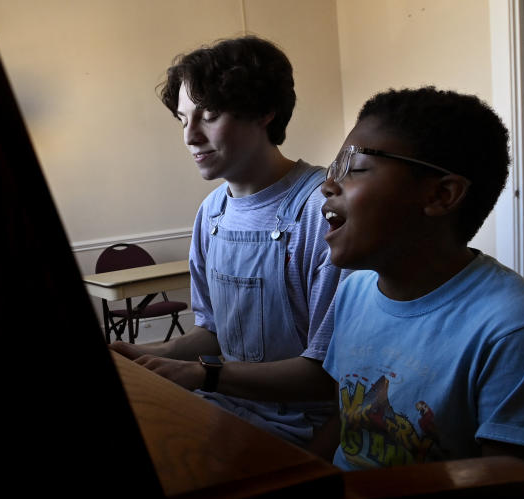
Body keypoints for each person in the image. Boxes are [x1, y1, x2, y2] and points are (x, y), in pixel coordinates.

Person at [320, 86, 524, 481]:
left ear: (442, 195)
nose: (328, 185)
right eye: (333, 168)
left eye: (354, 168)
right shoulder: (354, 292)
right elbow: (349, 424)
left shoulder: (521, 333)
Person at [110, 36, 349, 450]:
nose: (190, 136)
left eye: (209, 115)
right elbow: (213, 335)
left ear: (264, 112)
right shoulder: (212, 212)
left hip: (299, 427)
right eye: (184, 119)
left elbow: (329, 374)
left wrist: (205, 375)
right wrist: (145, 355)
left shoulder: (320, 211)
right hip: (222, 405)